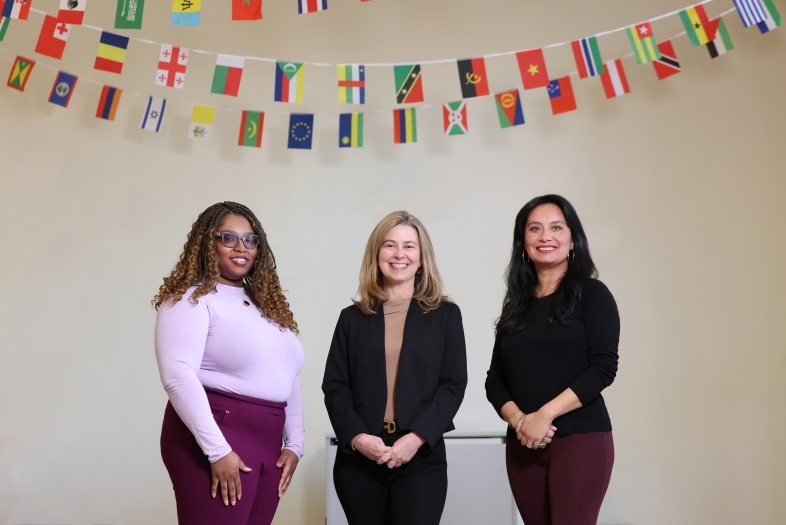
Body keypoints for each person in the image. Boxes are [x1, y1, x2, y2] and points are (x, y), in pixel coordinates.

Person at [152, 202, 304, 525]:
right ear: (208, 243)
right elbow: (177, 376)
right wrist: (217, 450)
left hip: (268, 438)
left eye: (251, 240)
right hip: (219, 430)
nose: (241, 248)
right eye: (228, 238)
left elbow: (286, 373)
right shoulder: (190, 298)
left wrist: (295, 443)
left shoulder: (265, 303)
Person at [322, 210, 468, 525]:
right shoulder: (352, 318)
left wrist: (414, 438)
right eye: (390, 245)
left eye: (409, 246)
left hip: (421, 455)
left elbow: (453, 385)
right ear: (377, 254)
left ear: (422, 257)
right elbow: (335, 386)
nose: (399, 254)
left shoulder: (445, 315)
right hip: (360, 459)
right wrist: (359, 438)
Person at [485, 194, 619, 525]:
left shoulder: (593, 295)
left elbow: (603, 368)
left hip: (581, 440)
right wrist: (521, 422)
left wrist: (543, 416)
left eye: (556, 227)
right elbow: (495, 380)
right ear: (523, 243)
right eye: (535, 229)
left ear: (573, 240)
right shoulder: (515, 305)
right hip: (523, 445)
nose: (546, 237)